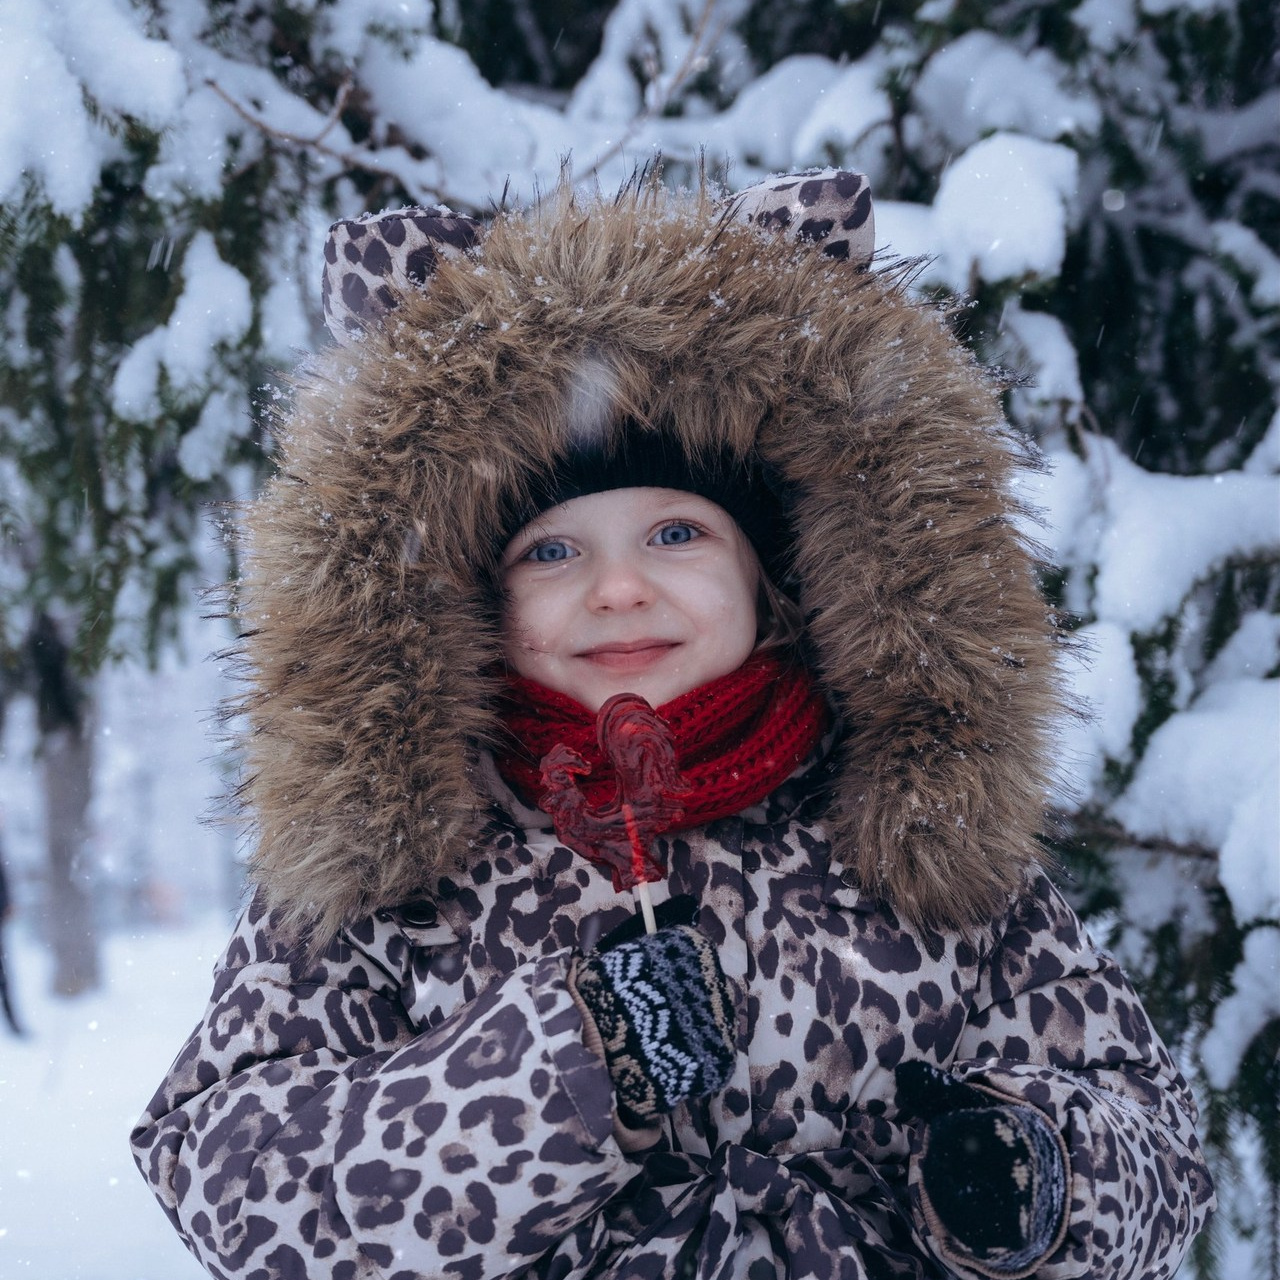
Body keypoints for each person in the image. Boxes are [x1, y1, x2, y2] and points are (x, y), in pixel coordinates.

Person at [131, 171, 1214, 1280]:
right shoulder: (398, 860)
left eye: (675, 534)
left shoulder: (915, 834)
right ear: (467, 598)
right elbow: (228, 1173)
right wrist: (568, 1070)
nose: (615, 590)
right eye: (549, 550)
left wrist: (1028, 1172)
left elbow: (1156, 1140)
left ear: (777, 571)